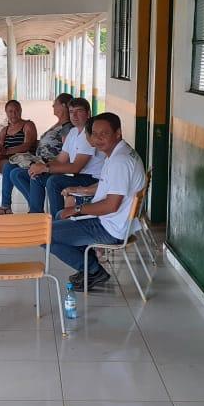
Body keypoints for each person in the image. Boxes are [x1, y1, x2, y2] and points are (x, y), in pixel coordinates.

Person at [46, 112, 145, 291]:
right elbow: (107, 185)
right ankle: (87, 265)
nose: (98, 139)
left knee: (44, 234)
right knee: (61, 215)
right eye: (94, 134)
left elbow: (110, 205)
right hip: (116, 222)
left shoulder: (119, 161)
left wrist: (77, 209)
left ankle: (93, 269)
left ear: (118, 133)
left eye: (104, 134)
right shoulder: (121, 152)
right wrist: (81, 190)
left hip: (109, 228)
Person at [0, 93, 74, 215]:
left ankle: (34, 209)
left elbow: (66, 153)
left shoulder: (67, 128)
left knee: (17, 173)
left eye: (55, 104)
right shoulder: (57, 124)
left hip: (50, 164)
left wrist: (45, 166)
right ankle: (11, 206)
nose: (52, 106)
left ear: (63, 106)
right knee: (10, 168)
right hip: (39, 161)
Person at [37, 96, 106, 217]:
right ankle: (35, 213)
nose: (74, 116)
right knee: (37, 176)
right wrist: (42, 167)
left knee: (54, 181)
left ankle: (58, 221)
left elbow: (76, 168)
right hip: (80, 176)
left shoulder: (89, 133)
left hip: (92, 179)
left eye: (79, 111)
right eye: (71, 112)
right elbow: (60, 160)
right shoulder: (73, 132)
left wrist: (46, 168)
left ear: (88, 113)